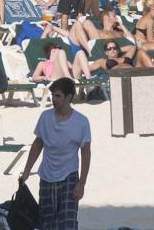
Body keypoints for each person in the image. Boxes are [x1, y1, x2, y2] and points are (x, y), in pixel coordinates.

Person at [18, 77, 91, 230]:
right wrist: (26, 171)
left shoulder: (81, 122)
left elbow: (86, 153)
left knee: (68, 223)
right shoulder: (45, 117)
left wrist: (81, 183)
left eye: (58, 96)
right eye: (53, 95)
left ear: (69, 97)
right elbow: (38, 144)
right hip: (46, 176)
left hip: (69, 177)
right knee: (47, 223)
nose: (54, 99)